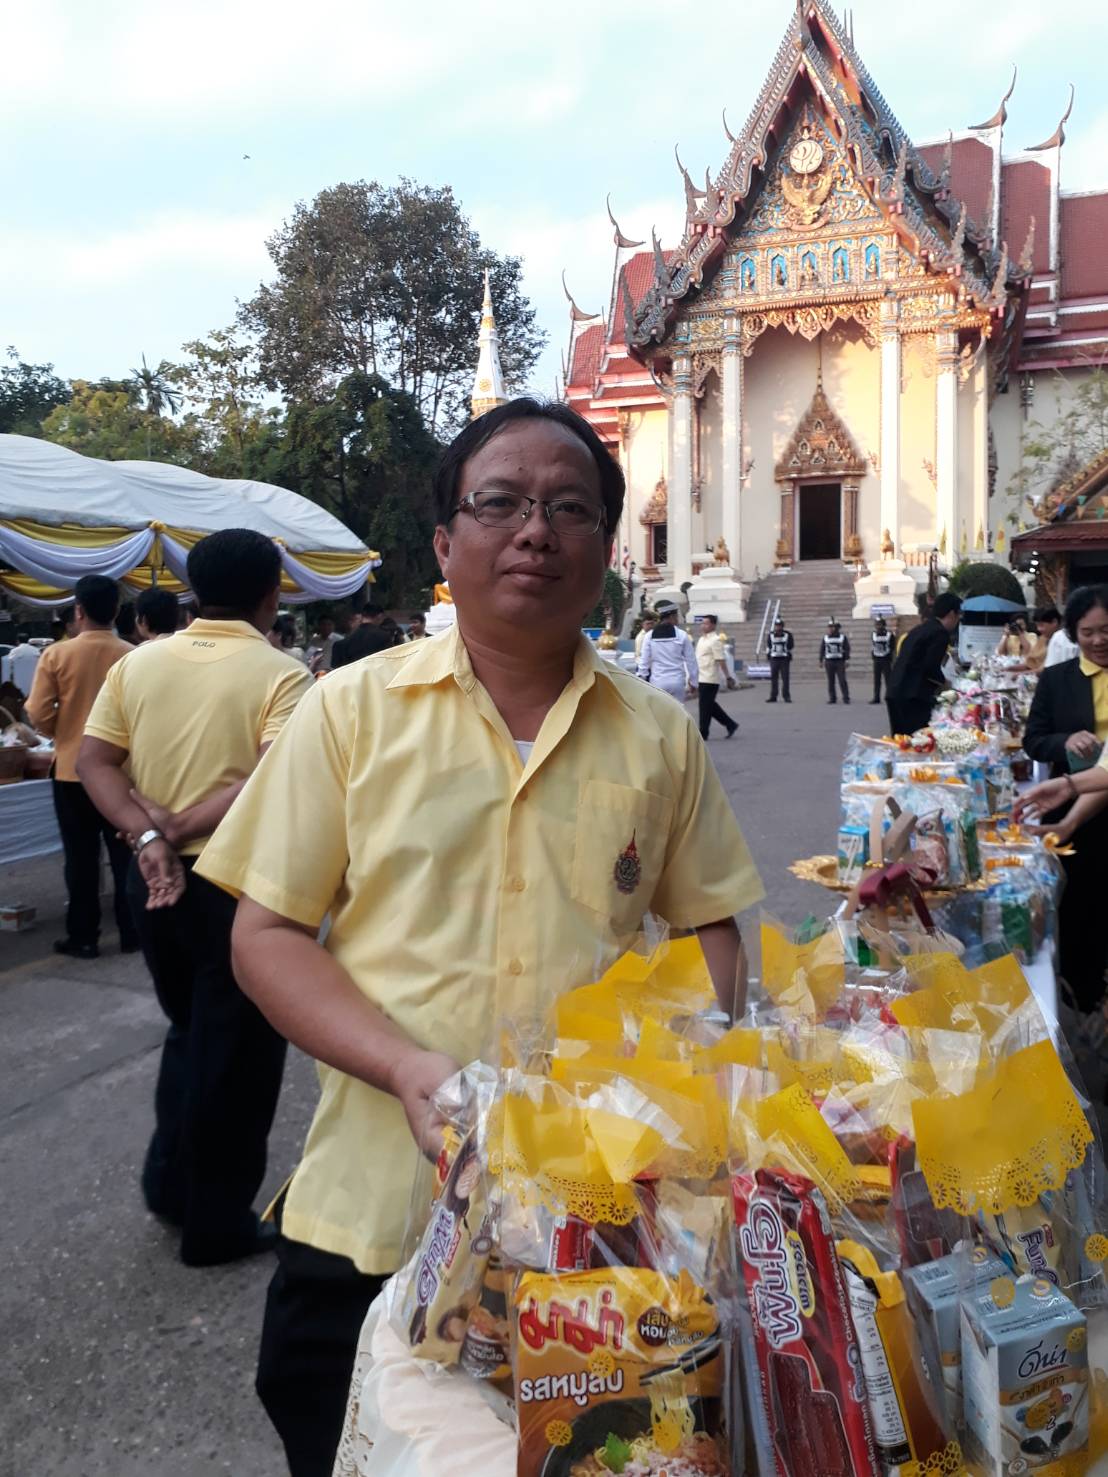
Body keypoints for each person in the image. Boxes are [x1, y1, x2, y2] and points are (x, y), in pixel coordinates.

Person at [194, 398, 764, 1477]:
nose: (535, 530)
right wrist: (408, 1068)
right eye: (499, 502)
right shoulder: (347, 712)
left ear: (608, 546)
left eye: (570, 508)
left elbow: (709, 932)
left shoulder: (657, 737)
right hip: (376, 1208)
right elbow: (266, 934)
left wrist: (662, 1093)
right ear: (446, 542)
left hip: (596, 1229)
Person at [77, 529, 314, 1267]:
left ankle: (171, 1183)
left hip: (148, 880)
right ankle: (215, 1221)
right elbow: (269, 778)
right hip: (235, 882)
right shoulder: (283, 675)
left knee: (189, 1030)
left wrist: (151, 838)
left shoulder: (139, 663)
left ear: (191, 588)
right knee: (237, 1050)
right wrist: (179, 828)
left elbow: (96, 762)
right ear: (272, 593)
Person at [26, 576, 137, 960]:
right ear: (118, 611)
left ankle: (84, 936)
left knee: (81, 857)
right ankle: (132, 931)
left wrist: (65, 732)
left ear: (78, 611)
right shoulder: (131, 654)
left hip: (73, 770)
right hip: (122, 769)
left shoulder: (56, 655)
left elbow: (37, 714)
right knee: (125, 853)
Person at [1019, 584, 1108, 1013]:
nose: (1099, 640)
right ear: (1073, 635)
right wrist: (1064, 742)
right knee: (1080, 903)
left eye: (1106, 630)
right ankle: (1081, 993)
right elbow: (1033, 739)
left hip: (1084, 796)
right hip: (1080, 815)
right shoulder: (1057, 680)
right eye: (1088, 632)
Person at [885, 592, 962, 736]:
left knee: (901, 741)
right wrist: (947, 685)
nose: (957, 621)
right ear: (952, 614)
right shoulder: (940, 633)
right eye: (958, 617)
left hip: (895, 690)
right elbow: (930, 667)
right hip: (912, 696)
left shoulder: (919, 630)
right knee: (918, 740)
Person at [637, 601, 697, 701]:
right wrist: (694, 682)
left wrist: (641, 679)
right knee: (678, 714)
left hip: (657, 682)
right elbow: (691, 661)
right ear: (672, 617)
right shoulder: (682, 635)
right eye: (676, 616)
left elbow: (644, 662)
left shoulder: (649, 636)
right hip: (677, 682)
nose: (677, 619)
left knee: (661, 715)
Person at [694, 614, 738, 740]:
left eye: (706, 623)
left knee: (705, 707)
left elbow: (721, 660)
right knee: (709, 705)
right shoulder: (702, 639)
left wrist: (728, 677)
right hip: (701, 676)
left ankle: (703, 732)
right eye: (702, 623)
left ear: (713, 625)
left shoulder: (715, 640)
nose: (703, 626)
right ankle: (730, 724)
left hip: (710, 678)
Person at [819, 618, 851, 705]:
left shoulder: (842, 637)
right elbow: (822, 649)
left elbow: (847, 649)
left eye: (834, 627)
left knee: (842, 680)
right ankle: (832, 698)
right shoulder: (825, 638)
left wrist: (847, 659)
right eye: (830, 627)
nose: (832, 629)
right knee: (831, 681)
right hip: (829, 661)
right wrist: (821, 660)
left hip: (840, 661)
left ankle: (846, 697)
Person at [766, 617, 794, 703]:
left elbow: (791, 645)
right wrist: (768, 656)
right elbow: (769, 646)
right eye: (777, 626)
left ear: (782, 626)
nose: (778, 627)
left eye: (780, 626)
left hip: (784, 659)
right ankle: (773, 696)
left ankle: (786, 696)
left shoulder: (787, 634)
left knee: (785, 678)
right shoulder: (770, 635)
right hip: (774, 659)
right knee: (774, 678)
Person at [1026, 606, 1061, 673]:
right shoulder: (1043, 638)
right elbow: (1029, 663)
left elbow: (1043, 670)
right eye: (1037, 625)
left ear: (1054, 622)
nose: (1038, 629)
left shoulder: (1061, 641)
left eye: (1041, 625)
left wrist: (1016, 674)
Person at [8, 629, 41, 698]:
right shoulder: (36, 651)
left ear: (18, 641)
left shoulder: (14, 651)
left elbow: (10, 667)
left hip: (18, 683)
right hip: (33, 683)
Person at [870, 617, 894, 704]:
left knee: (888, 680)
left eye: (879, 624)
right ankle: (876, 697)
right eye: (877, 624)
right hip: (877, 659)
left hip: (886, 660)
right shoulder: (873, 634)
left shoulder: (889, 634)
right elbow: (873, 646)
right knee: (877, 680)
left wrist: (892, 659)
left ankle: (890, 697)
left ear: (883, 625)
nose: (878, 626)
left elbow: (892, 647)